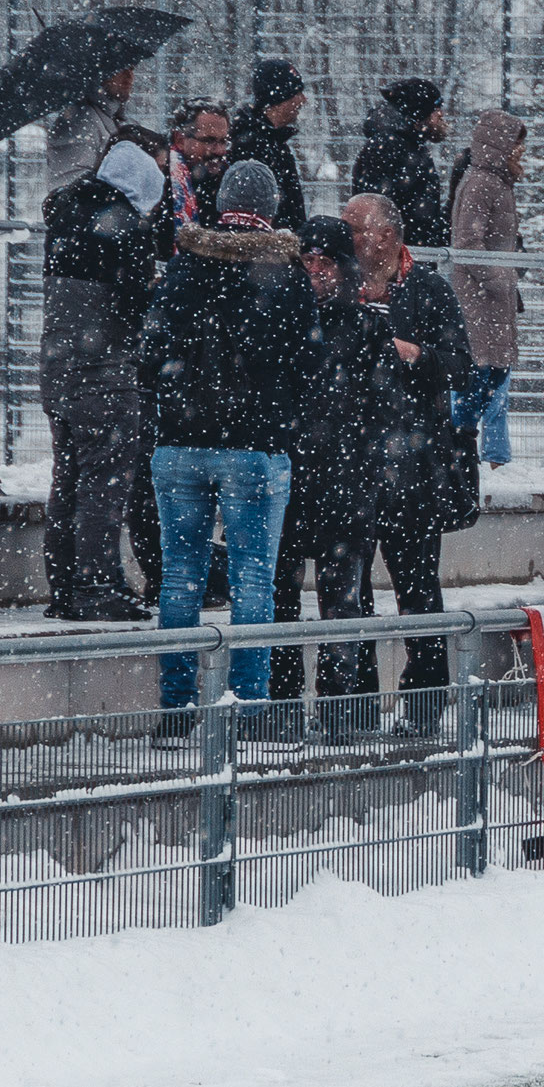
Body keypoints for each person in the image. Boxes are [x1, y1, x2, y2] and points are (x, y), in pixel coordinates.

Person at [142, 161, 317, 732]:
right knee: (252, 579)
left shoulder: (182, 267)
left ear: (220, 204)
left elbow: (151, 354)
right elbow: (307, 363)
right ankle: (248, 710)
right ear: (270, 208)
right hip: (254, 447)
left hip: (180, 445)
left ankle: (176, 710)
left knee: (179, 576)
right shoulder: (286, 275)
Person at [342, 193, 475, 721]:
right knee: (351, 593)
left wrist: (414, 354)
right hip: (352, 467)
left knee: (418, 591)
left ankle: (423, 704)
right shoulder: (340, 285)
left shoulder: (428, 290)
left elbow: (461, 365)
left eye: (357, 227)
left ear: (391, 237)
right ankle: (357, 706)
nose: (347, 236)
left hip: (414, 469)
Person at [271, 218, 401, 735]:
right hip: (292, 483)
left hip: (345, 487)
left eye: (326, 265)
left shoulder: (368, 328)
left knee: (341, 602)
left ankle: (339, 710)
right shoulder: (283, 321)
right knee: (282, 596)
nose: (316, 275)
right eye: (308, 264)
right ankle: (280, 708)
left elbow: (387, 407)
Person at [40, 140, 165, 621]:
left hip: (57, 371)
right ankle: (96, 589)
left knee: (67, 479)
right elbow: (133, 310)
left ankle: (64, 589)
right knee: (105, 483)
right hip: (104, 376)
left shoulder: (66, 216)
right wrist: (153, 287)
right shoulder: (129, 227)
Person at [449, 108, 529, 468]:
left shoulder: (496, 183)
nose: (521, 151)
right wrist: (501, 278)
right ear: (500, 145)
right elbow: (468, 241)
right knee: (481, 378)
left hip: (493, 299)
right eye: (516, 144)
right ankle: (463, 450)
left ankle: (486, 455)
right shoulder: (483, 183)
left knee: (493, 375)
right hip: (482, 299)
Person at [353, 78, 449, 248]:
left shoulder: (410, 146)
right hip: (397, 258)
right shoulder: (388, 148)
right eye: (436, 108)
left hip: (407, 256)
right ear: (420, 114)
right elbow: (375, 212)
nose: (441, 114)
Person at [230, 58, 309, 232]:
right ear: (281, 98)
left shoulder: (273, 142)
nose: (304, 100)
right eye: (298, 93)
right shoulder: (253, 147)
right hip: (266, 251)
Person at [46, 67, 133, 192]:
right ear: (100, 73)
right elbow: (69, 190)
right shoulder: (79, 120)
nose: (129, 75)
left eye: (132, 69)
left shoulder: (115, 118)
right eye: (121, 69)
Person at [164, 99, 232, 237]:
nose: (219, 151)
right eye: (208, 141)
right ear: (180, 140)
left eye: (223, 141)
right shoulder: (159, 182)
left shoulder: (230, 182)